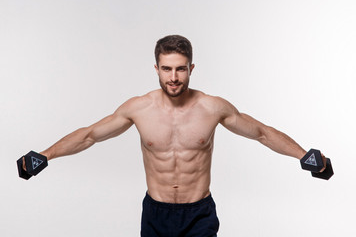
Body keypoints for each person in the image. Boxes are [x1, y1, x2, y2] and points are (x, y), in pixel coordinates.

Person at [24, 35, 325, 236]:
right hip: (156, 212)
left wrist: (304, 156)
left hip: (199, 213)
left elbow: (260, 132)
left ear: (191, 68)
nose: (173, 78)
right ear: (156, 67)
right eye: (166, 69)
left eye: (180, 69)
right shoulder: (139, 108)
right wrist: (45, 155)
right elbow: (90, 135)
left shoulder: (212, 107)